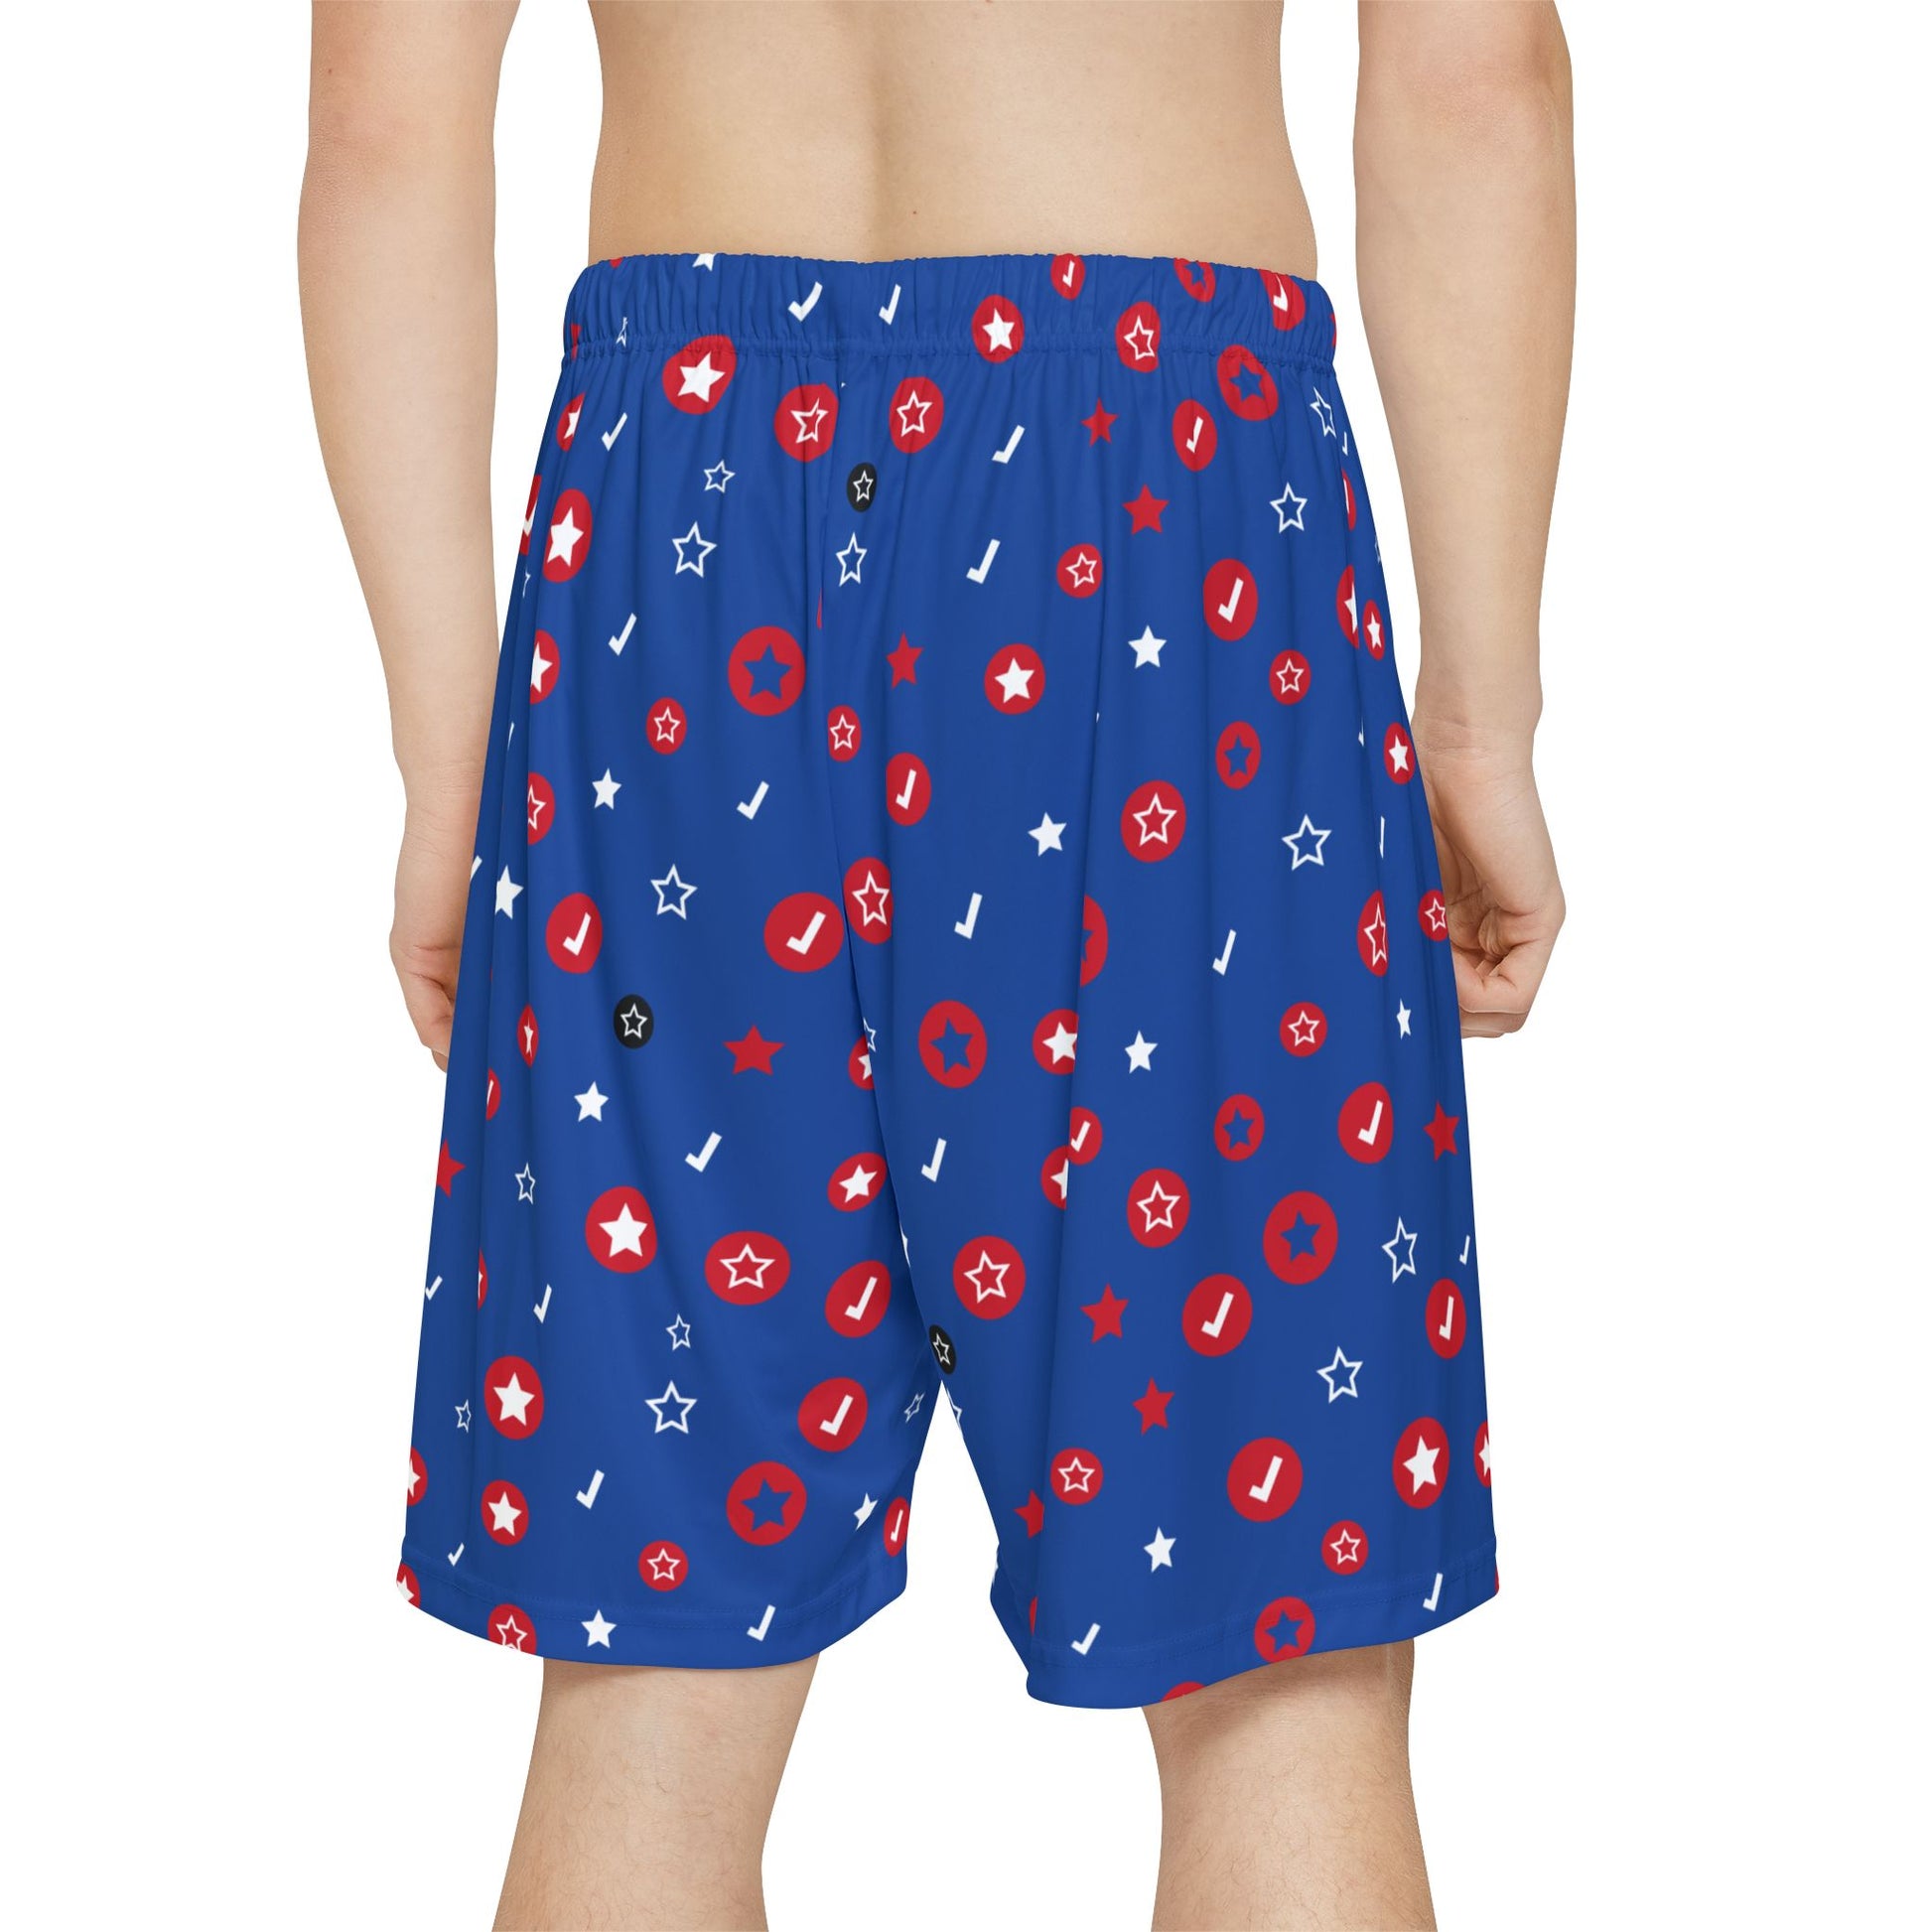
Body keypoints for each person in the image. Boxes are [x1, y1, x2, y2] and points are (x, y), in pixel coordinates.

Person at [300, 1, 1571, 1923]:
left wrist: (452, 770)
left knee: (650, 1692)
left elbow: (383, 127)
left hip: (673, 547)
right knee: (1277, 1683)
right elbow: (1476, 81)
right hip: (1167, 526)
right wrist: (1477, 723)